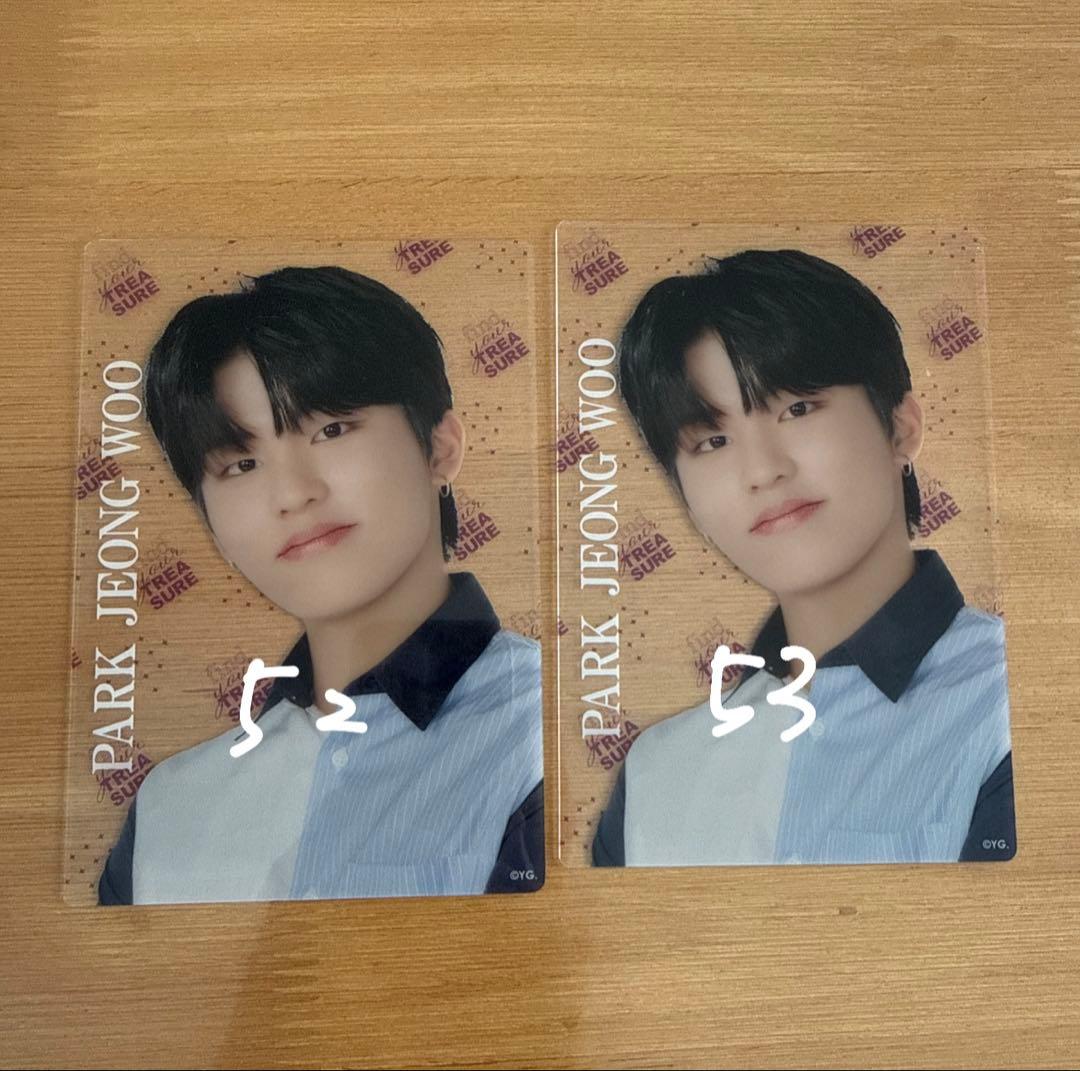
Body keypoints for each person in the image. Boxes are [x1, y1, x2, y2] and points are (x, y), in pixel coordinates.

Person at [98, 266, 543, 903]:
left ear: (440, 447)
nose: (293, 493)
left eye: (330, 430)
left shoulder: (545, 731)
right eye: (241, 464)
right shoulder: (171, 809)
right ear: (209, 521)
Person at [592, 249, 1015, 867]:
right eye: (713, 441)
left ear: (901, 428)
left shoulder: (1012, 706)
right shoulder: (656, 776)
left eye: (797, 409)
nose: (762, 470)